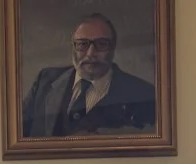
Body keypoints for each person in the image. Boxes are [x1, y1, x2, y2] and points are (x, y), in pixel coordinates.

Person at [22, 12, 156, 138]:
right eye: (82, 44)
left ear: (113, 48)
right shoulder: (44, 81)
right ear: (73, 47)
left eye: (101, 44)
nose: (91, 53)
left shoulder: (145, 95)